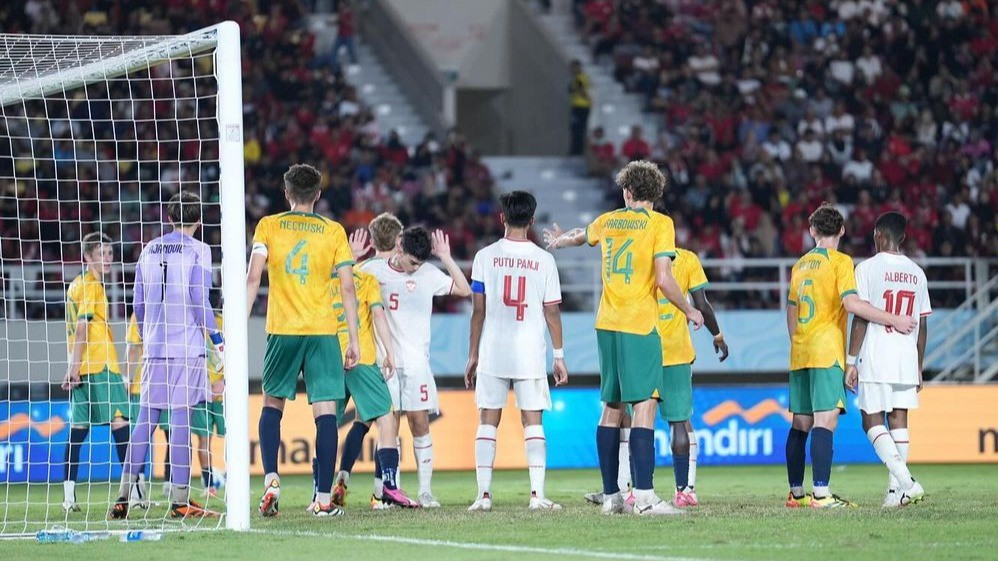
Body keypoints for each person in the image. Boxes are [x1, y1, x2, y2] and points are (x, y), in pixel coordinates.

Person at [544, 160, 705, 516]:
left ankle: (611, 496)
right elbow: (663, 278)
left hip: (606, 324)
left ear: (628, 191)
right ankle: (645, 498)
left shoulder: (609, 220)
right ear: (655, 193)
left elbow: (577, 236)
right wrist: (689, 310)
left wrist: (558, 241)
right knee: (645, 404)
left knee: (612, 407)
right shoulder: (661, 223)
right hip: (638, 324)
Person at [246, 164, 361, 517]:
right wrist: (353, 339)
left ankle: (270, 479)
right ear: (318, 195)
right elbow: (346, 286)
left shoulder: (269, 225)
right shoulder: (334, 231)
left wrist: (235, 327)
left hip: (282, 329)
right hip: (324, 332)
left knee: (272, 404)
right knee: (326, 413)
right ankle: (324, 499)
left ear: (286, 193)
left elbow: (252, 279)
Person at [784, 203, 916, 509]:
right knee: (825, 421)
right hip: (826, 350)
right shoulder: (841, 261)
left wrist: (797, 342)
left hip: (800, 351)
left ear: (812, 230)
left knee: (800, 423)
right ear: (842, 231)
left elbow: (791, 310)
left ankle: (796, 493)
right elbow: (853, 305)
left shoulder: (800, 265)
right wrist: (893, 319)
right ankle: (821, 494)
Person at [582, 247, 729, 509]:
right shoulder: (687, 259)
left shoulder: (638, 255)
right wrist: (716, 335)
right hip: (676, 352)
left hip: (640, 346)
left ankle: (629, 489)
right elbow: (702, 303)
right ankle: (684, 490)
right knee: (679, 422)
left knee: (631, 417)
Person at [110, 191, 223, 519]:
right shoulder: (200, 249)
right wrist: (218, 340)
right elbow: (199, 300)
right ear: (199, 221)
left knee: (144, 422)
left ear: (170, 218)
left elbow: (138, 305)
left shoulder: (148, 249)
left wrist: (149, 337)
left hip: (155, 350)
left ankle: (122, 496)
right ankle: (180, 500)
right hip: (186, 350)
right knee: (181, 421)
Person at [465, 190, 568, 512]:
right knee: (533, 421)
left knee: (487, 420)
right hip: (530, 352)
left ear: (502, 218)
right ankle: (537, 496)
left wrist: (472, 354)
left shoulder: (484, 257)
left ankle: (483, 495)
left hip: (493, 348)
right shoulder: (544, 260)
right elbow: (552, 312)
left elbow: (477, 311)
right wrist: (559, 355)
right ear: (533, 220)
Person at [360, 226, 472, 507]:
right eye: (411, 262)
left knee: (420, 423)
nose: (414, 269)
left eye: (419, 264)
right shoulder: (374, 270)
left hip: (417, 364)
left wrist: (445, 257)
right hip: (386, 362)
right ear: (400, 248)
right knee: (390, 426)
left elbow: (463, 288)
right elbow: (343, 280)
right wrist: (352, 257)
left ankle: (425, 491)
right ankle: (391, 491)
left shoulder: (428, 274)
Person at [318, 264, 420, 509]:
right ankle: (388, 486)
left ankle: (319, 492)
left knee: (326, 423)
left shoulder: (321, 282)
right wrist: (390, 353)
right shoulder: (365, 280)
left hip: (329, 360)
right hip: (360, 359)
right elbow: (377, 314)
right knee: (386, 417)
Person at [845, 212, 928, 507]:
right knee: (899, 420)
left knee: (870, 420)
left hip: (878, 353)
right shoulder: (917, 272)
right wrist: (918, 366)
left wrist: (851, 360)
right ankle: (896, 495)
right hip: (906, 355)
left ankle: (906, 483)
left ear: (879, 234)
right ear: (902, 237)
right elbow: (922, 324)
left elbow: (861, 317)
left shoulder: (867, 268)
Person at [61, 232, 133, 513]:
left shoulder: (76, 285)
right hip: (101, 365)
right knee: (121, 424)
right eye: (101, 254)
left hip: (84, 365)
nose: (107, 259)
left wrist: (73, 365)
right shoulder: (91, 286)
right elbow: (81, 328)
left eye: (110, 254)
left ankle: (69, 498)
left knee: (78, 431)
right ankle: (134, 492)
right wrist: (74, 368)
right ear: (87, 257)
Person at [569, 59, 592, 156]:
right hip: (580, 106)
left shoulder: (579, 78)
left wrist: (587, 98)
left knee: (577, 129)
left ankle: (577, 151)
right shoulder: (581, 77)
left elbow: (583, 90)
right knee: (578, 128)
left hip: (580, 106)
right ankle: (577, 150)